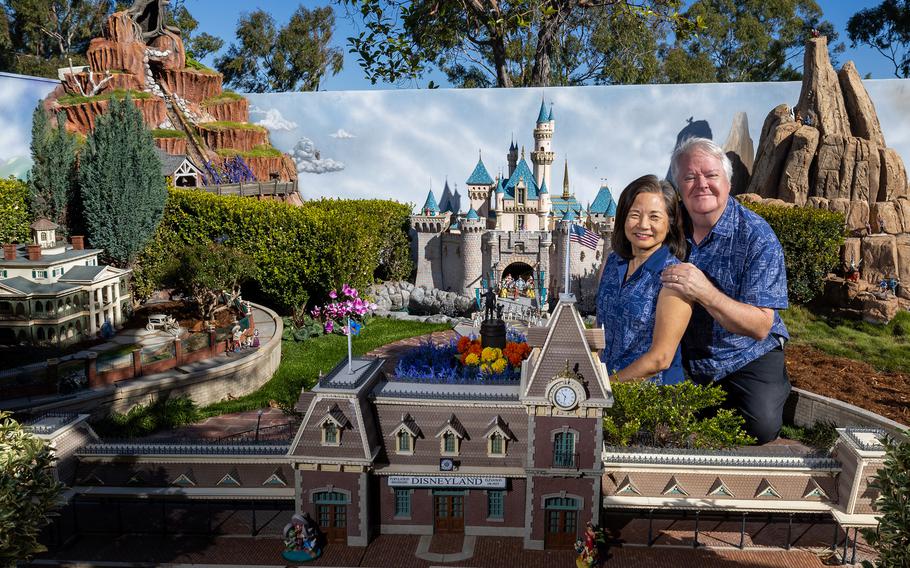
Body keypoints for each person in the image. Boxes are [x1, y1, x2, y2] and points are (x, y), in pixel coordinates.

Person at [662, 137, 790, 444]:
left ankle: (772, 387)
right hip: (686, 354)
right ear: (679, 187)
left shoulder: (757, 236)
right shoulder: (666, 227)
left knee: (761, 427)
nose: (701, 184)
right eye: (690, 177)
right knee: (656, 421)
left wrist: (705, 291)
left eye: (710, 175)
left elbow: (760, 326)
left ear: (728, 183)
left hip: (745, 353)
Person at [596, 174, 692, 385]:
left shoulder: (674, 276)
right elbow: (601, 329)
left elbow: (660, 359)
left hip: (650, 399)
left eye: (654, 217)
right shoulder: (612, 263)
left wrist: (606, 385)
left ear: (670, 223)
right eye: (635, 215)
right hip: (605, 389)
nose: (643, 224)